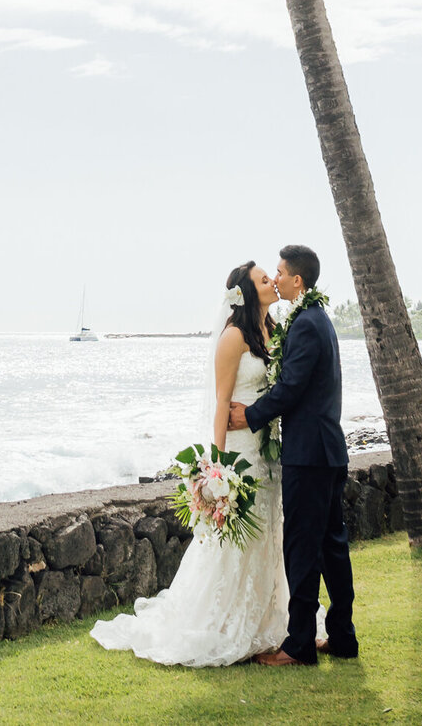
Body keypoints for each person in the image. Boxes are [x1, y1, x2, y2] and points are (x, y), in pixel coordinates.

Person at [90, 260, 288, 666]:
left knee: (269, 533)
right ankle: (222, 621)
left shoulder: (272, 331)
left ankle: (268, 619)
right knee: (235, 541)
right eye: (264, 279)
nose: (273, 281)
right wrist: (219, 468)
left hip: (268, 452)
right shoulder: (233, 337)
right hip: (240, 453)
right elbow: (221, 404)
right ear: (248, 293)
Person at [229, 243, 358, 666]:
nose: (276, 278)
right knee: (332, 547)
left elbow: (290, 390)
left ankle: (300, 644)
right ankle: (342, 636)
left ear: (296, 280)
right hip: (328, 451)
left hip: (309, 456)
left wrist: (250, 415)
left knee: (303, 549)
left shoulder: (305, 323)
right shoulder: (318, 318)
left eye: (280, 272)